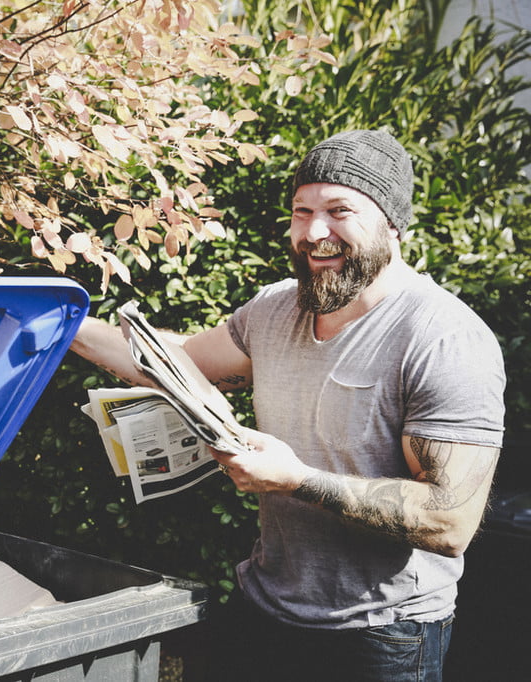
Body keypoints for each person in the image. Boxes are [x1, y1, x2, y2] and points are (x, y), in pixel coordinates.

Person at [70, 130, 505, 681]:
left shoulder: (443, 338)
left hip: (381, 636)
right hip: (267, 607)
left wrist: (296, 479)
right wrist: (63, 324)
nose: (314, 232)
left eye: (338, 210)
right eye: (302, 211)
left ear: (393, 223)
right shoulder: (277, 308)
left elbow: (450, 518)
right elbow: (173, 360)